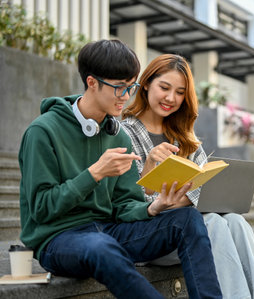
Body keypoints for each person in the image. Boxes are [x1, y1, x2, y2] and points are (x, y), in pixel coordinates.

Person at [18, 40, 222, 299]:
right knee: (101, 246)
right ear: (92, 83)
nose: (126, 97)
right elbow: (41, 209)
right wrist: (93, 174)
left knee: (188, 220)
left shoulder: (118, 135)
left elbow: (125, 204)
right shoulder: (43, 132)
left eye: (131, 87)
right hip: (58, 239)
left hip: (108, 230)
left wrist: (153, 207)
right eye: (118, 88)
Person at [121, 54, 254, 299]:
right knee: (212, 223)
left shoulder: (183, 136)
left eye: (180, 92)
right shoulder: (125, 133)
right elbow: (133, 201)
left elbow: (205, 181)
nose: (171, 98)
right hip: (153, 235)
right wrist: (187, 196)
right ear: (146, 83)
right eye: (164, 87)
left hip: (191, 228)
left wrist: (188, 197)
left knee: (235, 221)